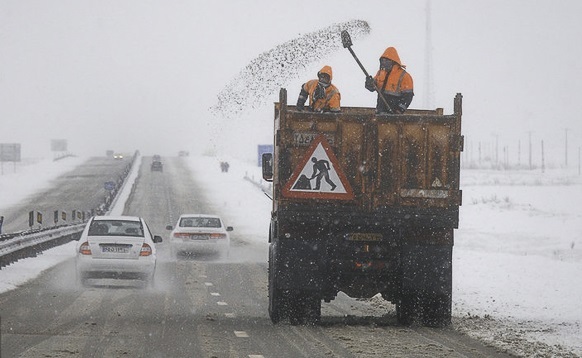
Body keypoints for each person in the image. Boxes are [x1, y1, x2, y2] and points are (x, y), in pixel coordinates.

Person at [365, 47, 414, 114]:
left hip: (394, 116)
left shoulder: (404, 76)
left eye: (386, 60)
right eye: (383, 60)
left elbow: (408, 97)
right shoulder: (380, 73)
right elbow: (374, 87)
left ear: (393, 61)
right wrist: (369, 83)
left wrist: (399, 110)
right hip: (380, 112)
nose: (384, 62)